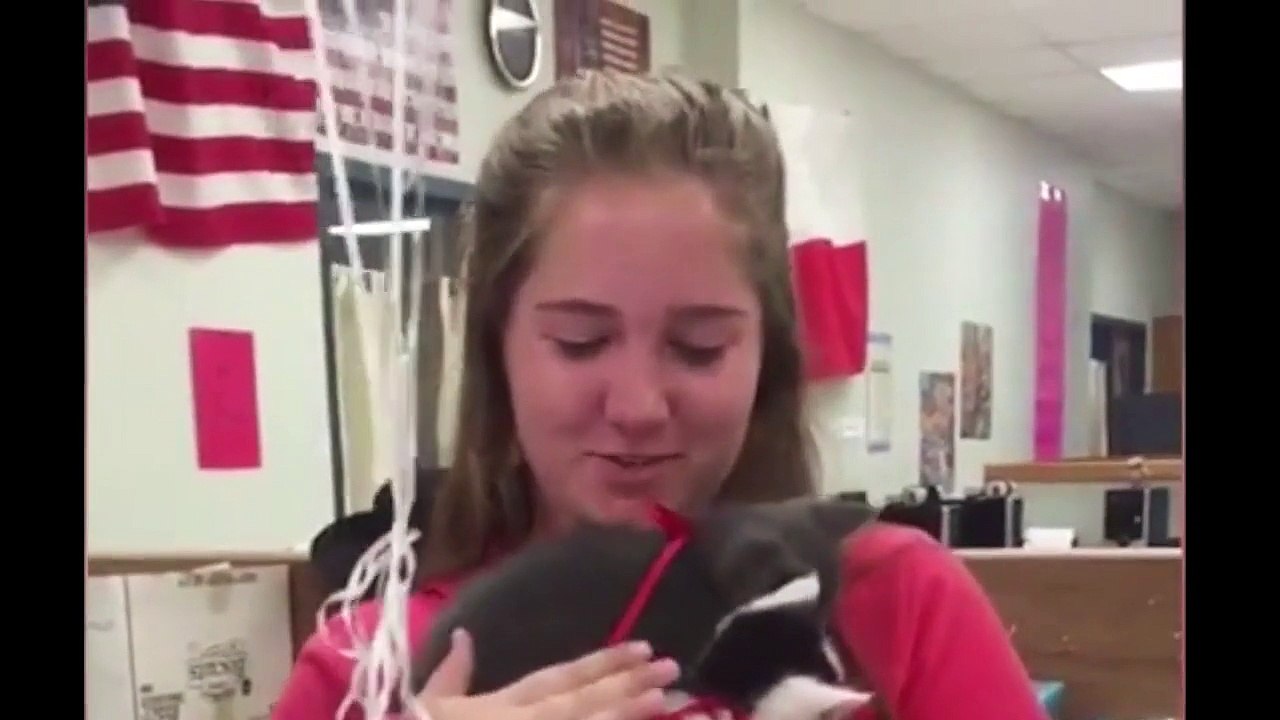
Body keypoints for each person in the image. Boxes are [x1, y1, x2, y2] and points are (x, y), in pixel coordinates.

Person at [274, 70, 1048, 720]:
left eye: (698, 348)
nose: (639, 406)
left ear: (767, 357)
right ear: (495, 347)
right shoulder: (364, 669)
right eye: (580, 343)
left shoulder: (893, 602)